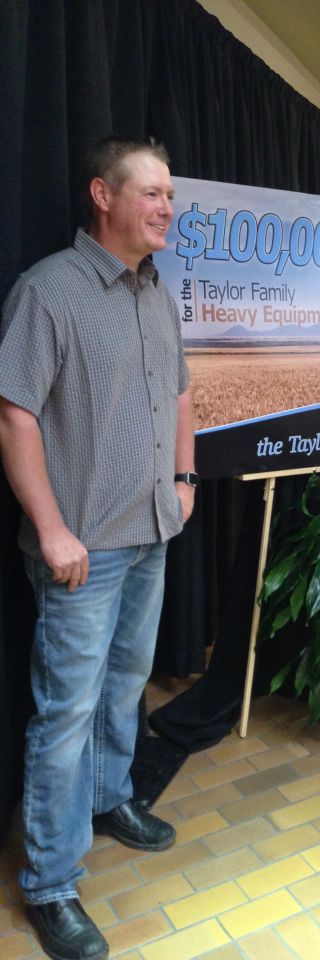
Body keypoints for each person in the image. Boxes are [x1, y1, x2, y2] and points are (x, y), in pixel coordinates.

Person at [0, 136, 196, 960]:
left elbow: (183, 393)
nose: (165, 208)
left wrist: (186, 480)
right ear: (102, 196)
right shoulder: (48, 291)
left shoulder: (157, 293)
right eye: (150, 193)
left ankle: (113, 798)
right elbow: (15, 415)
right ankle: (49, 883)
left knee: (126, 686)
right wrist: (50, 529)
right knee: (66, 713)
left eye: (169, 196)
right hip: (84, 551)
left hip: (152, 530)